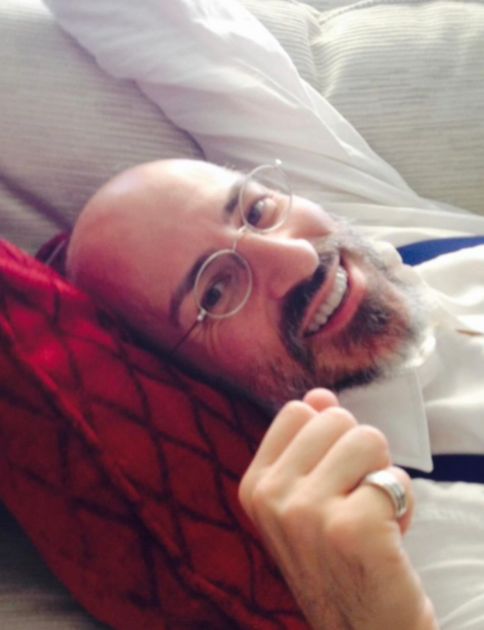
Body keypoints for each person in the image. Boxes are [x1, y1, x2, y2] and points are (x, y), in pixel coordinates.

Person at [64, 158, 484, 630]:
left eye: (257, 212)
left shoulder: (383, 223)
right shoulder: (414, 539)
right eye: (216, 292)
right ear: (194, 383)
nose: (299, 258)